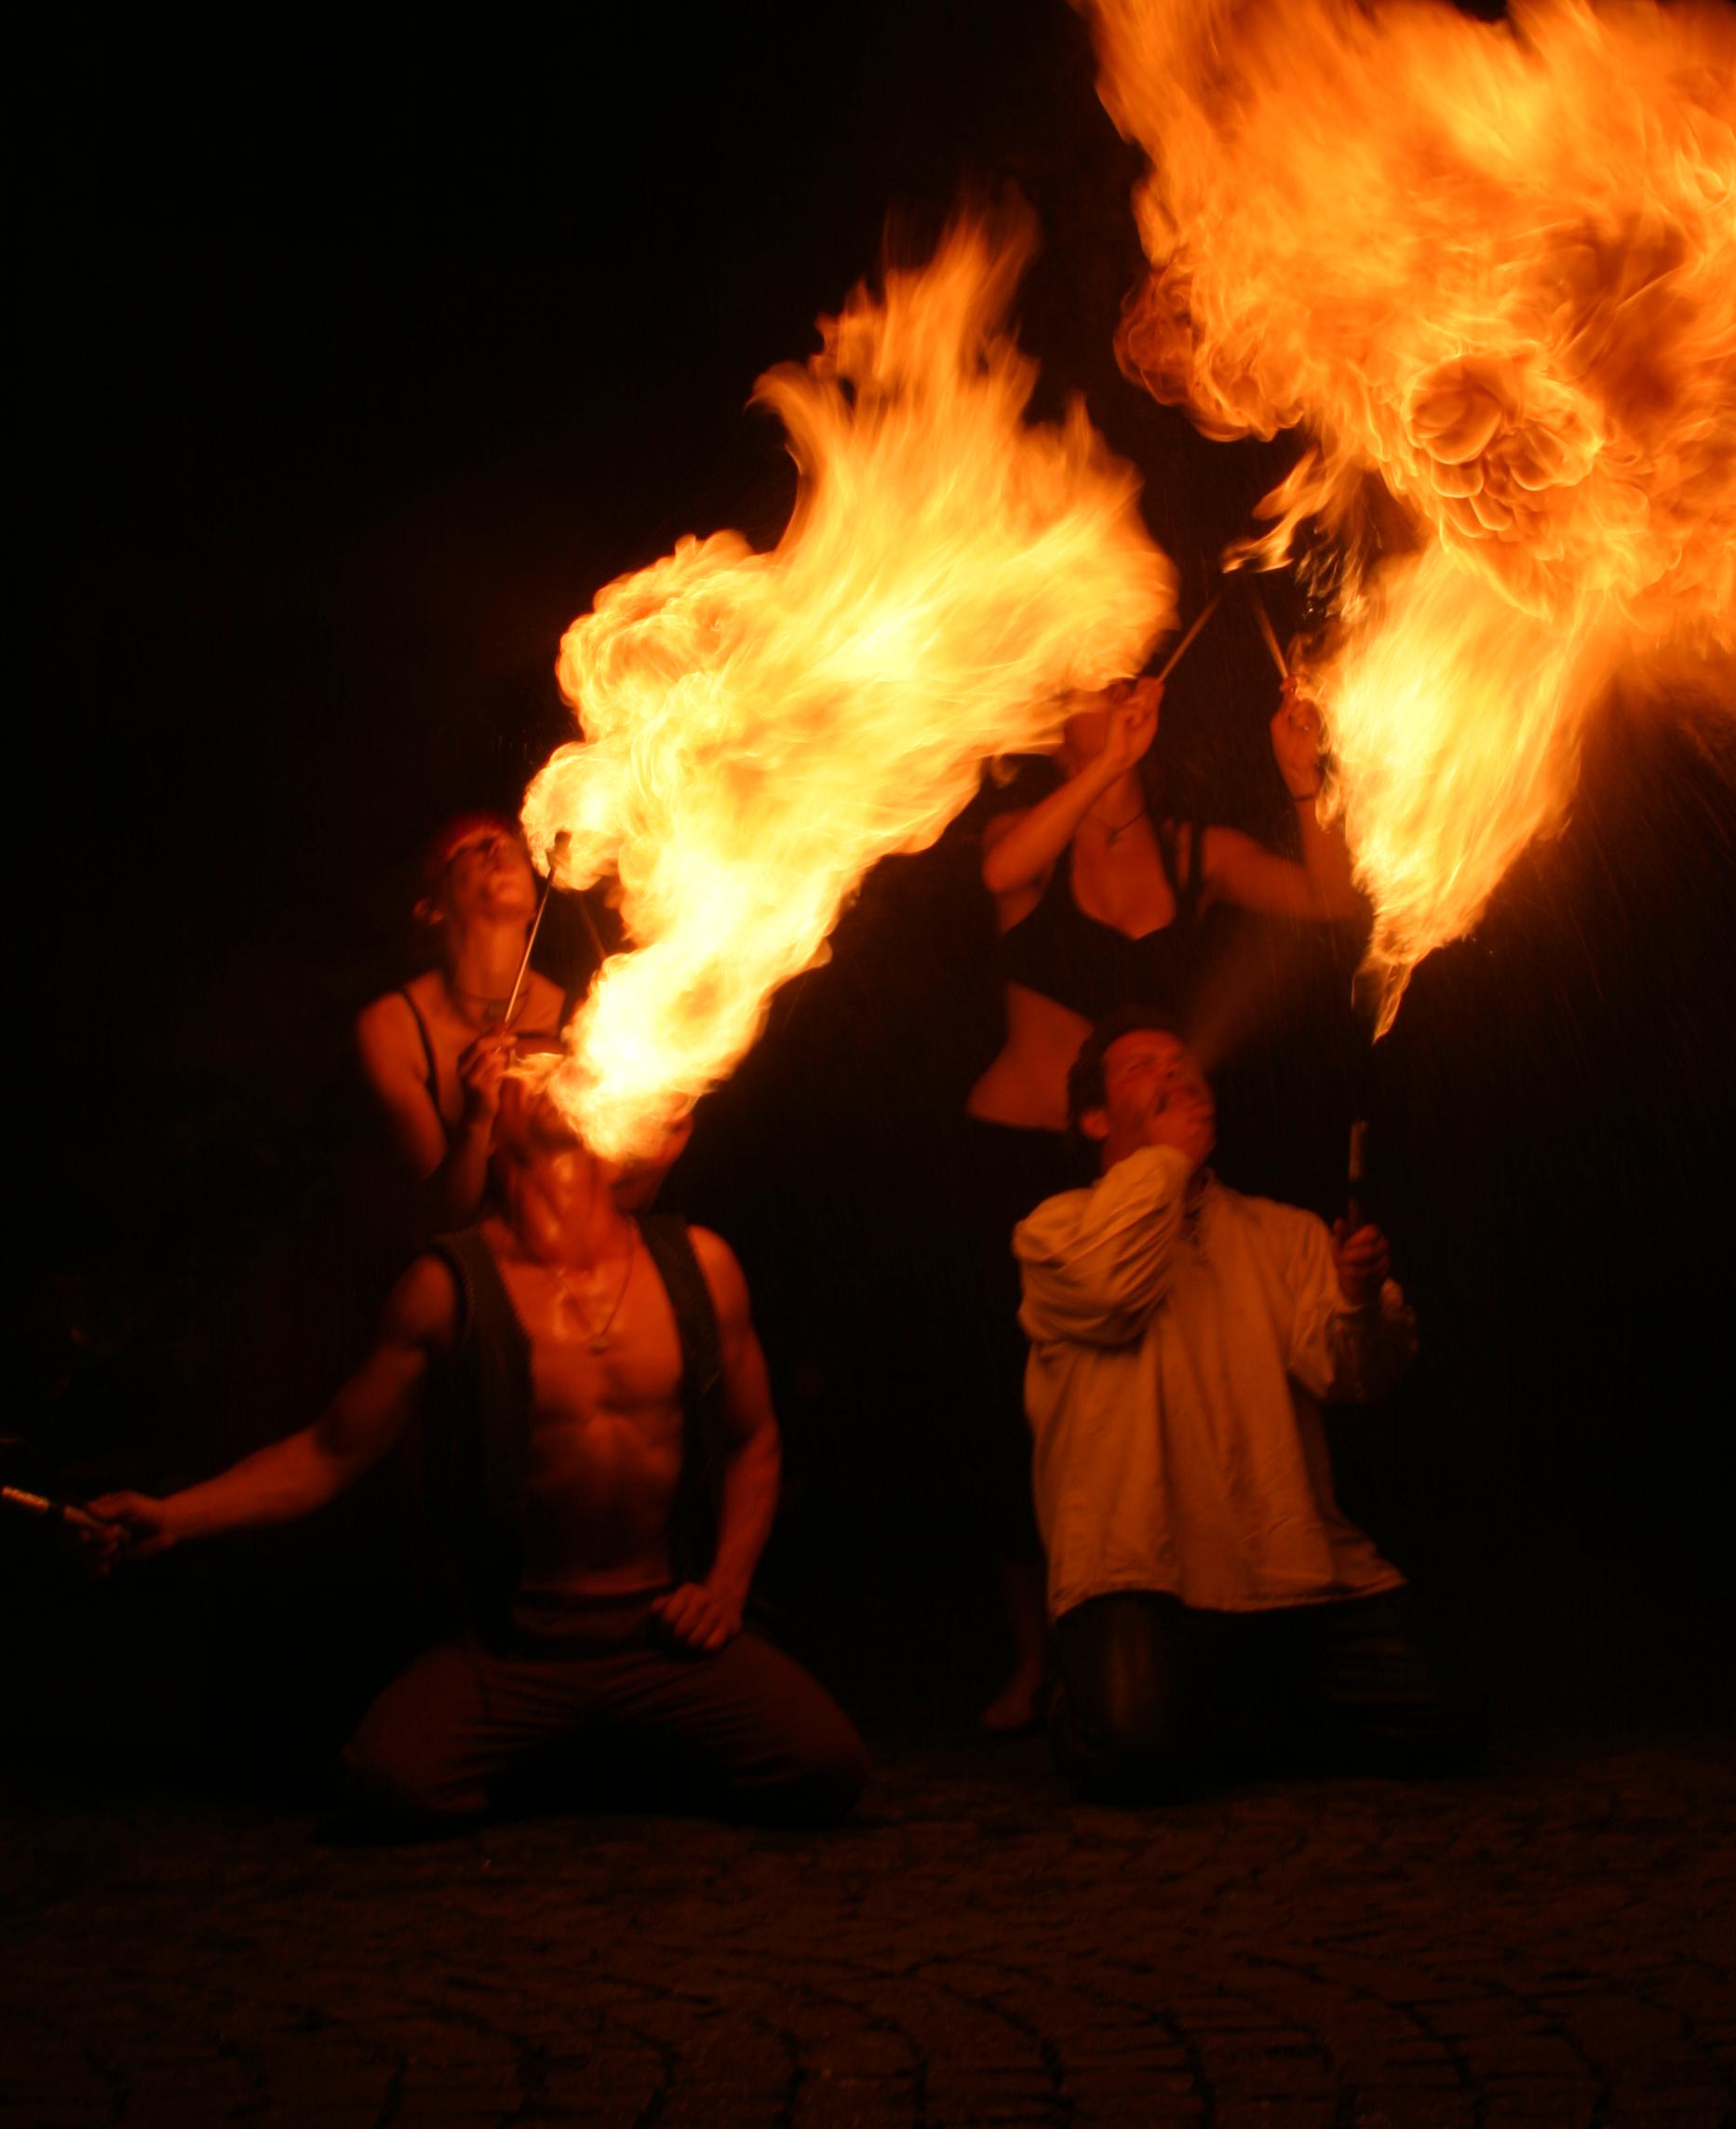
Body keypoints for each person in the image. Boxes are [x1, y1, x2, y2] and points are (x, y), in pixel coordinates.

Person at [87, 1071, 869, 1831]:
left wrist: (725, 1589)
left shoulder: (700, 1264)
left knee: (825, 1767)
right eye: (527, 1064)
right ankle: (595, 1749)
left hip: (664, 1633)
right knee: (390, 1784)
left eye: (563, 1057)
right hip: (517, 1645)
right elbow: (328, 1452)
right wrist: (174, 1517)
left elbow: (754, 1439)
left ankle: (610, 1740)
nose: (551, 1066)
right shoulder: (445, 1287)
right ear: (490, 1130)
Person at [959, 667, 1360, 1730]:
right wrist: (1105, 773)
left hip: (1146, 1170)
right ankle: (1033, 1657)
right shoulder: (1025, 839)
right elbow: (1001, 870)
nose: (1119, 695)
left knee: (1148, 1393)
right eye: (1091, 697)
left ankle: (1163, 1621)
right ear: (1060, 739)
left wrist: (1301, 780)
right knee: (1009, 1415)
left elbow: (1331, 901)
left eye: (1124, 683)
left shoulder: (1195, 850)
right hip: (1017, 1161)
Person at [1014, 1009, 1470, 1799]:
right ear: (1094, 1119)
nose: (1172, 1070)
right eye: (1141, 1066)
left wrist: (1358, 1300)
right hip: (1139, 1574)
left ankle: (1217, 1720)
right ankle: (1092, 1701)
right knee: (1131, 1753)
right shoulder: (1057, 1231)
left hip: (1288, 1569)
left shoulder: (1282, 1233)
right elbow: (1117, 1290)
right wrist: (1167, 1161)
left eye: (1181, 1061)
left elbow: (1352, 1376)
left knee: (1444, 1725)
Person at [356, 814, 568, 1233]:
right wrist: (475, 1121)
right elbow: (442, 1222)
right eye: (468, 847)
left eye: (509, 843)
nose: (498, 848)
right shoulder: (391, 1027)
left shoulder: (584, 1012)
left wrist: (658, 1159)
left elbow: (609, 1205)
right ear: (431, 908)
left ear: (535, 901)